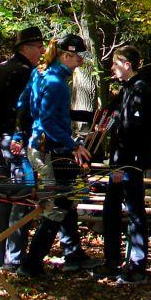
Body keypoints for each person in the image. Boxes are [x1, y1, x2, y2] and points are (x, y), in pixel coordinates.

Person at [17, 34, 98, 278]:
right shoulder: (55, 83)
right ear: (66, 56)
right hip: (49, 151)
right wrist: (73, 146)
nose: (81, 62)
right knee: (55, 207)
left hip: (44, 146)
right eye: (78, 57)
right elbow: (49, 121)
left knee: (67, 199)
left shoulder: (41, 74)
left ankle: (74, 255)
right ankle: (31, 264)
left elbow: (23, 105)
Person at [0, 26, 44, 270]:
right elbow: (24, 111)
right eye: (38, 47)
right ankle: (13, 258)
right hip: (17, 143)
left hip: (2, 141)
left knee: (5, 198)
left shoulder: (1, 69)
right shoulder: (25, 73)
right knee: (22, 196)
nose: (42, 51)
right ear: (26, 48)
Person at [96, 45, 151, 284]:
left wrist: (123, 165)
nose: (112, 68)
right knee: (111, 210)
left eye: (116, 64)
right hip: (119, 162)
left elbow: (134, 131)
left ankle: (137, 266)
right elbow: (110, 115)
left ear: (127, 65)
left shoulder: (141, 90)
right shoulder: (125, 90)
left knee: (134, 212)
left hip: (129, 163)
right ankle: (112, 261)